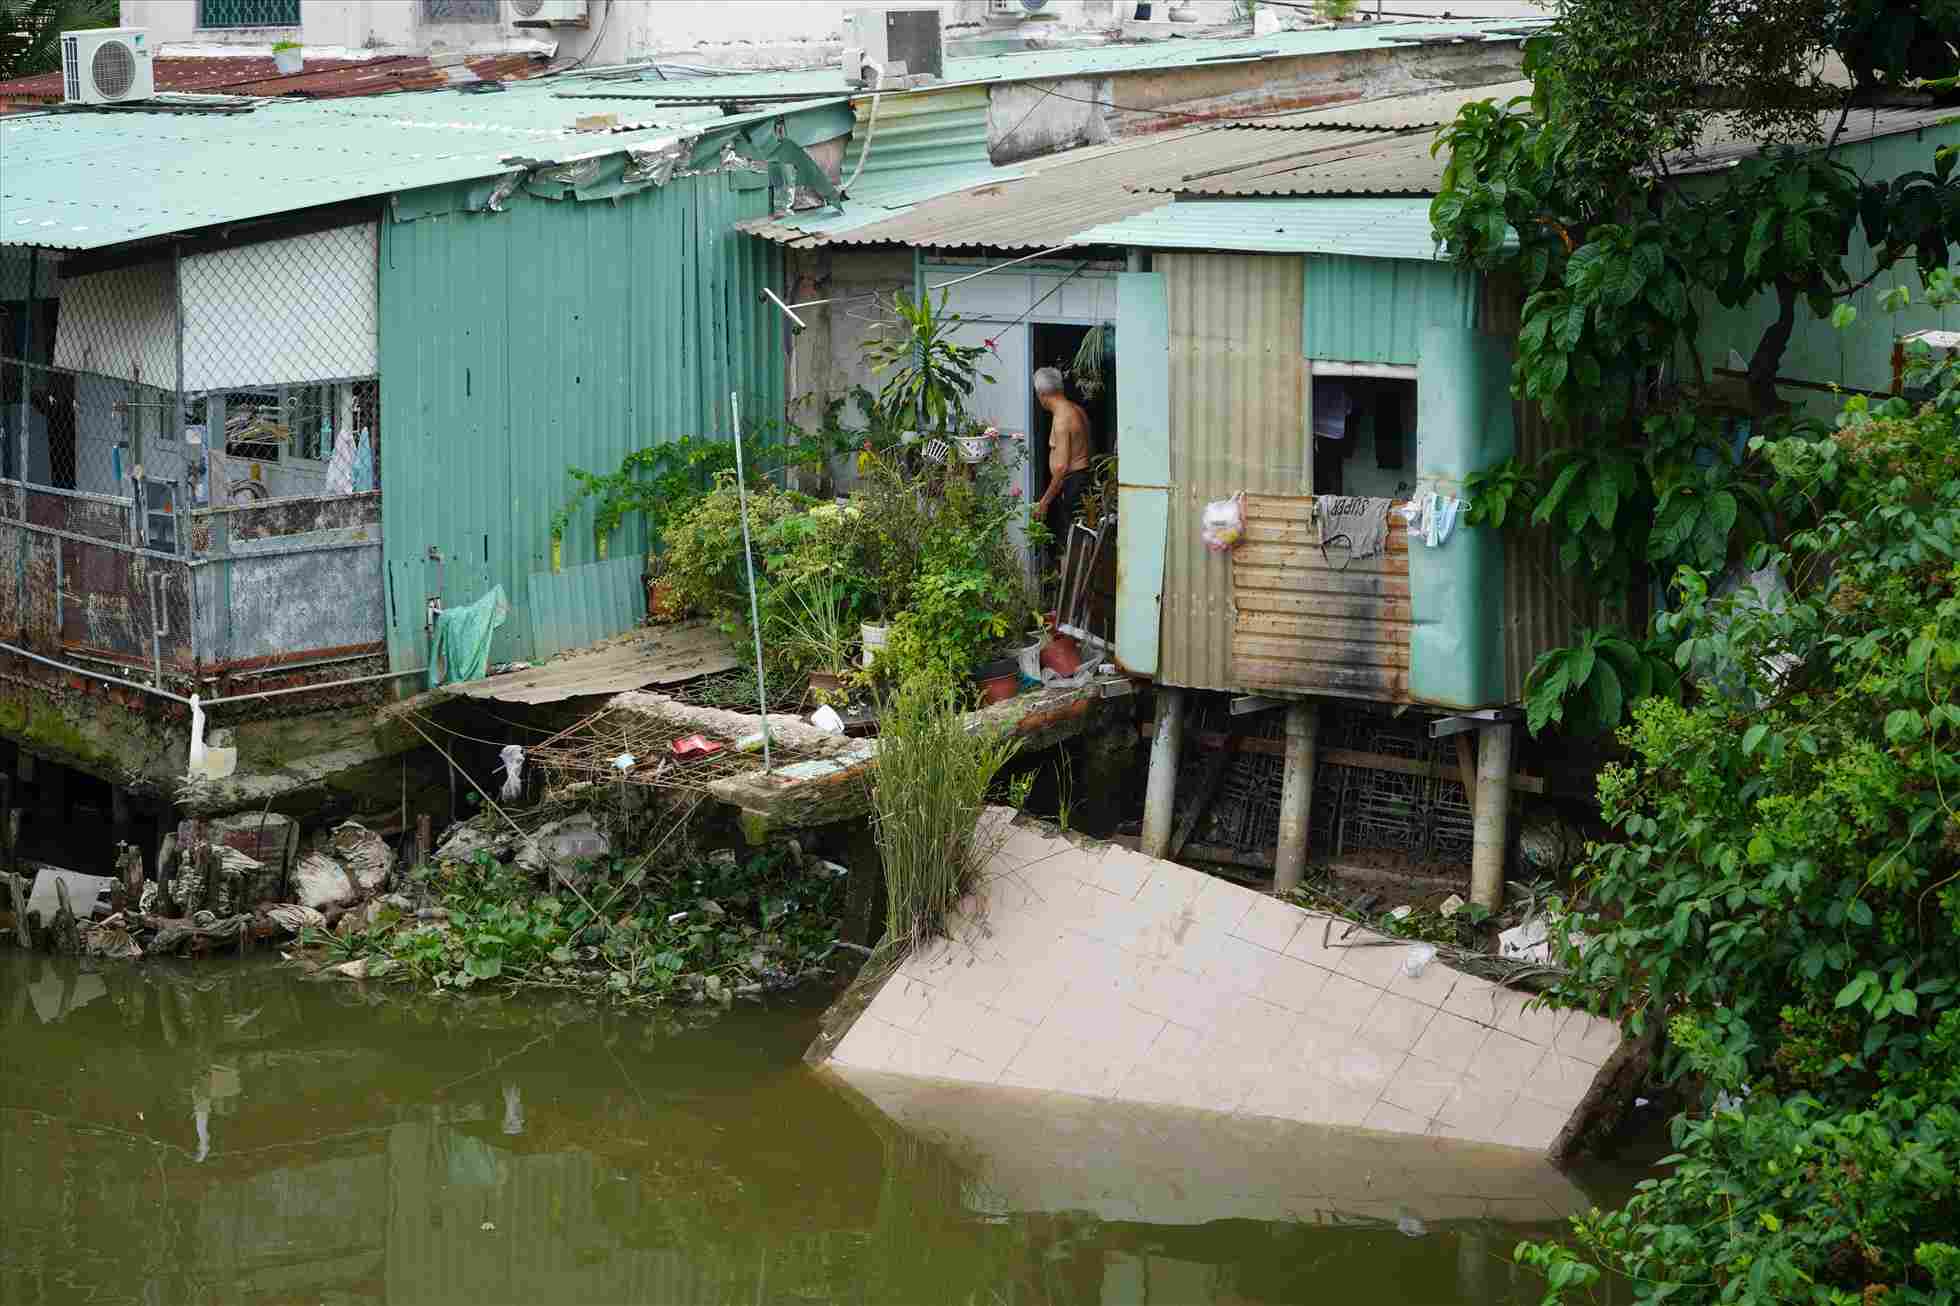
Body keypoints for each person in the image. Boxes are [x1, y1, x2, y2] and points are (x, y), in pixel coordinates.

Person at [1032, 366, 1092, 560]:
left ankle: (1069, 585)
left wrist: (1044, 501)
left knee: (1070, 543)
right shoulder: (1077, 410)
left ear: (1041, 394)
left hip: (1073, 484)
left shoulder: (1062, 420)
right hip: (1082, 479)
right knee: (1079, 540)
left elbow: (1061, 468)